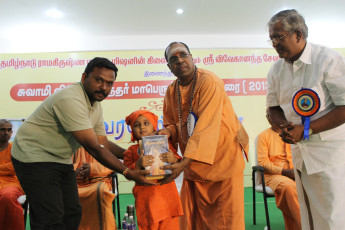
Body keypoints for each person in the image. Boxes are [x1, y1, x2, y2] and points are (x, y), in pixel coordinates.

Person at [11, 57, 155, 229]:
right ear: (84, 77)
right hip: (32, 155)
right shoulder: (71, 99)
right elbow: (94, 147)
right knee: (50, 218)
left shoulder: (96, 106)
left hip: (60, 157)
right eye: (99, 80)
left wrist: (134, 155)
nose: (104, 87)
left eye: (109, 83)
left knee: (72, 212)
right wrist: (128, 172)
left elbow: (103, 142)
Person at [156, 42, 249, 230]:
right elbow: (174, 123)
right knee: (195, 220)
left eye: (183, 55)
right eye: (173, 59)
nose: (179, 60)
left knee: (225, 221)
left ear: (191, 57)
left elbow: (206, 126)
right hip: (194, 165)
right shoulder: (171, 91)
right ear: (169, 67)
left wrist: (182, 164)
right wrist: (168, 132)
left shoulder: (209, 81)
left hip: (223, 161)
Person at [266, 9, 345, 230]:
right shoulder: (276, 70)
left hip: (330, 155)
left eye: (278, 36)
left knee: (333, 217)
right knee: (309, 216)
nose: (274, 43)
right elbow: (273, 108)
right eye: (271, 38)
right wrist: (284, 128)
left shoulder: (328, 60)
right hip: (300, 155)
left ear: (298, 34)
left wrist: (306, 129)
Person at [124, 110, 183, 230]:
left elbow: (179, 163)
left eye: (146, 123)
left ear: (154, 126)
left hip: (168, 200)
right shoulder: (131, 150)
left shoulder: (165, 144)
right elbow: (127, 173)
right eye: (137, 125)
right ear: (132, 129)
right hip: (146, 202)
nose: (142, 127)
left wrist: (173, 159)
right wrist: (138, 164)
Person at [257, 110, 301, 230]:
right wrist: (284, 172)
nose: (274, 119)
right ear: (268, 118)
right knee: (289, 187)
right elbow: (263, 163)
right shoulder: (263, 136)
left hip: (296, 172)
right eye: (270, 116)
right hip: (273, 175)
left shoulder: (294, 133)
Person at [72, 147, 116, 230]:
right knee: (66, 194)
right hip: (74, 183)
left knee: (100, 191)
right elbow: (63, 166)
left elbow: (112, 165)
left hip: (98, 181)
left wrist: (93, 169)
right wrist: (76, 170)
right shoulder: (71, 145)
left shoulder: (101, 143)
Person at [0, 119, 25, 230]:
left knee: (8, 196)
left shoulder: (16, 149)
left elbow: (15, 167)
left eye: (9, 130)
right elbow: (9, 167)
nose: (6, 133)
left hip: (12, 183)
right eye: (2, 130)